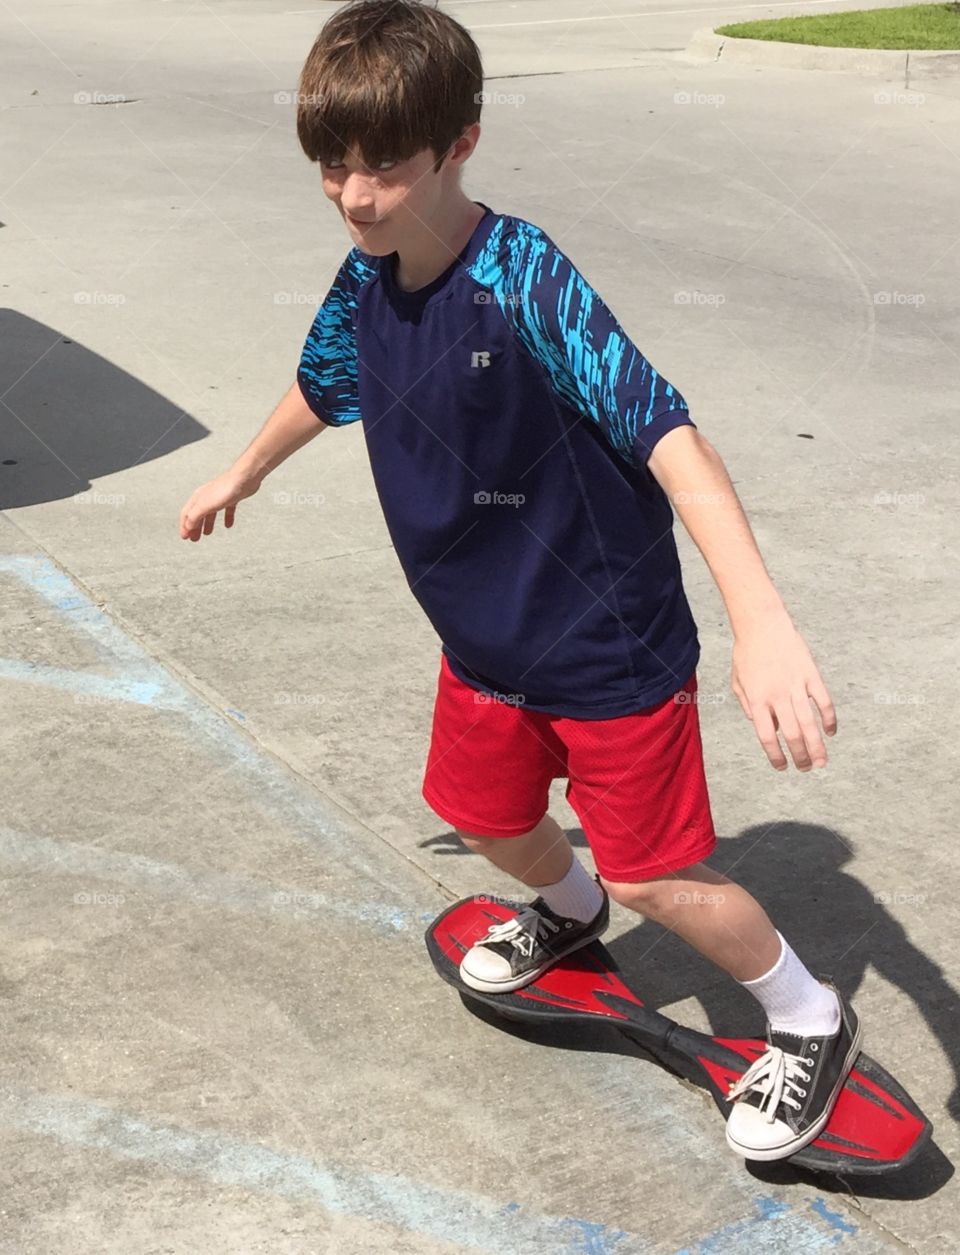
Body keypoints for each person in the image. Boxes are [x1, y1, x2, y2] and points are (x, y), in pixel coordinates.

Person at [179, 0, 861, 1163]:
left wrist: (763, 621)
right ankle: (569, 909)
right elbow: (326, 382)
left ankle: (807, 1016)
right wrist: (243, 465)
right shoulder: (368, 277)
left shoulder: (525, 278)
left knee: (653, 870)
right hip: (483, 641)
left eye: (384, 167)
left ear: (460, 143)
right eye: (332, 168)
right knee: (482, 814)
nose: (353, 196)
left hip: (606, 648)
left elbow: (674, 442)